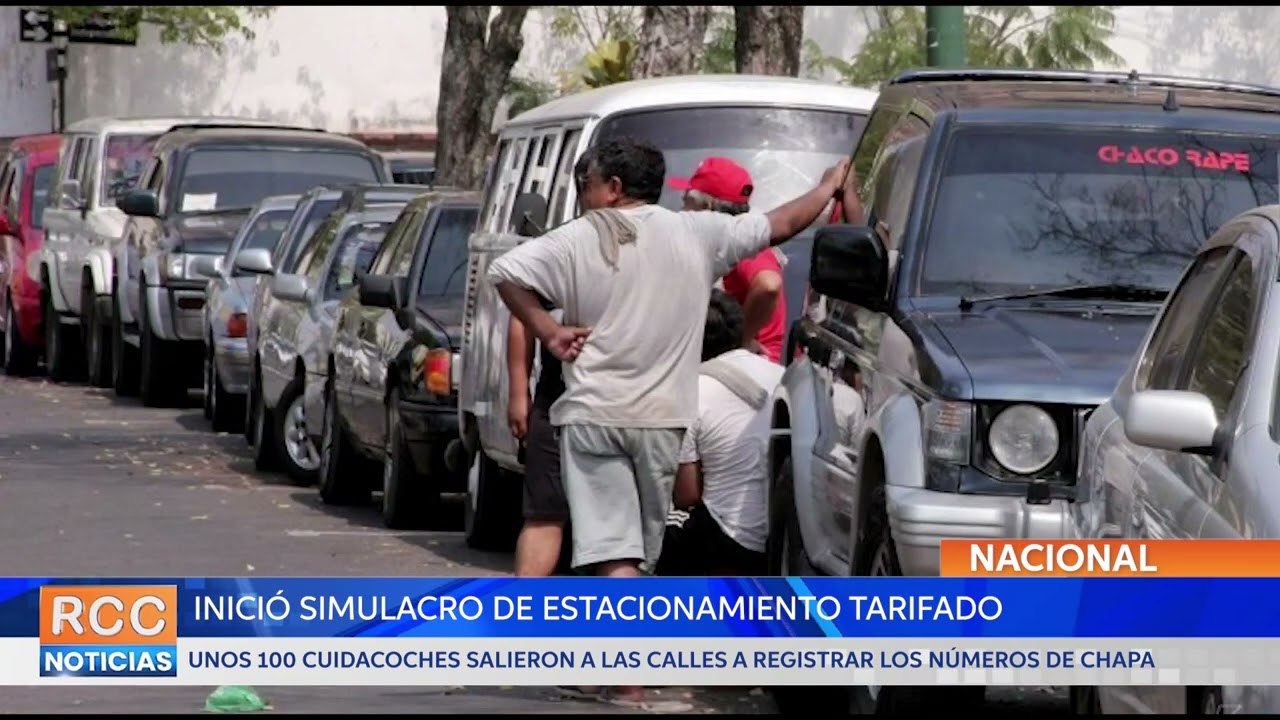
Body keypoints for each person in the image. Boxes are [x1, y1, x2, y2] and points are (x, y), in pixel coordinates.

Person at [487, 137, 848, 710]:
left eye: (587, 185)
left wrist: (548, 331)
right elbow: (780, 224)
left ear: (613, 188)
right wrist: (826, 188)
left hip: (594, 416)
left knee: (614, 552)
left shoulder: (580, 235)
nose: (583, 196)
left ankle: (622, 678)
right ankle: (612, 671)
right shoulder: (698, 232)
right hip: (666, 422)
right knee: (636, 554)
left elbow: (505, 271)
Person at [657, 290, 783, 576]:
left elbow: (687, 495)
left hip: (730, 542)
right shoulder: (781, 374)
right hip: (780, 541)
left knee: (660, 517)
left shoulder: (690, 391)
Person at [670, 157, 787, 363]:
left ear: (706, 207)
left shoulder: (742, 244)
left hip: (744, 368)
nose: (681, 209)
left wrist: (739, 342)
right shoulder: (726, 240)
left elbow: (769, 285)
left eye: (686, 201)